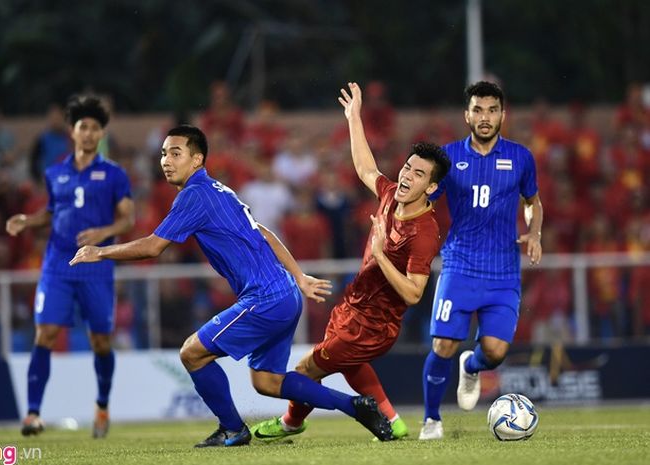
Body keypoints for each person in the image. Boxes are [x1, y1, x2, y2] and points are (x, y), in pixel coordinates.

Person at [69, 124, 393, 447]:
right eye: (164, 153)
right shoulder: (220, 190)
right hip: (285, 295)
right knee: (267, 381)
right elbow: (263, 232)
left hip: (265, 297)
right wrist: (299, 277)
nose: (166, 160)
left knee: (192, 353)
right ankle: (355, 405)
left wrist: (101, 251)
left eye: (176, 153)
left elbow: (154, 247)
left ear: (197, 160)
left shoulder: (193, 195)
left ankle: (232, 429)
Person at [250, 82, 451, 441]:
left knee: (305, 370)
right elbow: (364, 168)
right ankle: (393, 420)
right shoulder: (392, 195)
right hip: (354, 307)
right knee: (350, 366)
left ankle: (290, 423)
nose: (406, 176)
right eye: (408, 167)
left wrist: (379, 256)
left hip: (374, 325)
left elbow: (414, 294)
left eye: (419, 174)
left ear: (432, 188)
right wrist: (353, 117)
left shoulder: (423, 233)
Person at [419, 81, 543, 440]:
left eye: (492, 110)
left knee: (494, 351)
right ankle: (431, 420)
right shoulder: (447, 158)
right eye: (478, 110)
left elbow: (532, 202)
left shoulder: (521, 157)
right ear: (467, 115)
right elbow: (424, 199)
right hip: (459, 264)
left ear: (503, 114)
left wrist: (534, 233)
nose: (485, 117)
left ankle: (471, 367)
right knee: (443, 344)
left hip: (503, 270)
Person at [5, 95, 135, 438]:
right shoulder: (55, 173)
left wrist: (103, 233)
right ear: (72, 131)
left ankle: (102, 405)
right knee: (44, 334)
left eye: (95, 128)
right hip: (57, 265)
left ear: (101, 133)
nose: (89, 133)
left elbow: (128, 219)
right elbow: (52, 213)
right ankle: (32, 414)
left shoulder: (114, 174)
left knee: (100, 343)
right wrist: (28, 221)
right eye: (83, 127)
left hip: (96, 266)